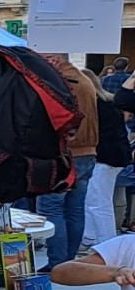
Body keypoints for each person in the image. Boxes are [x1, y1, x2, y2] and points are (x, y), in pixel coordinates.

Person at [40, 55, 101, 267]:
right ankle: (68, 260)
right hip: (87, 153)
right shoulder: (84, 80)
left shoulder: (60, 81)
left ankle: (57, 262)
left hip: (64, 153)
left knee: (51, 209)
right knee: (75, 208)